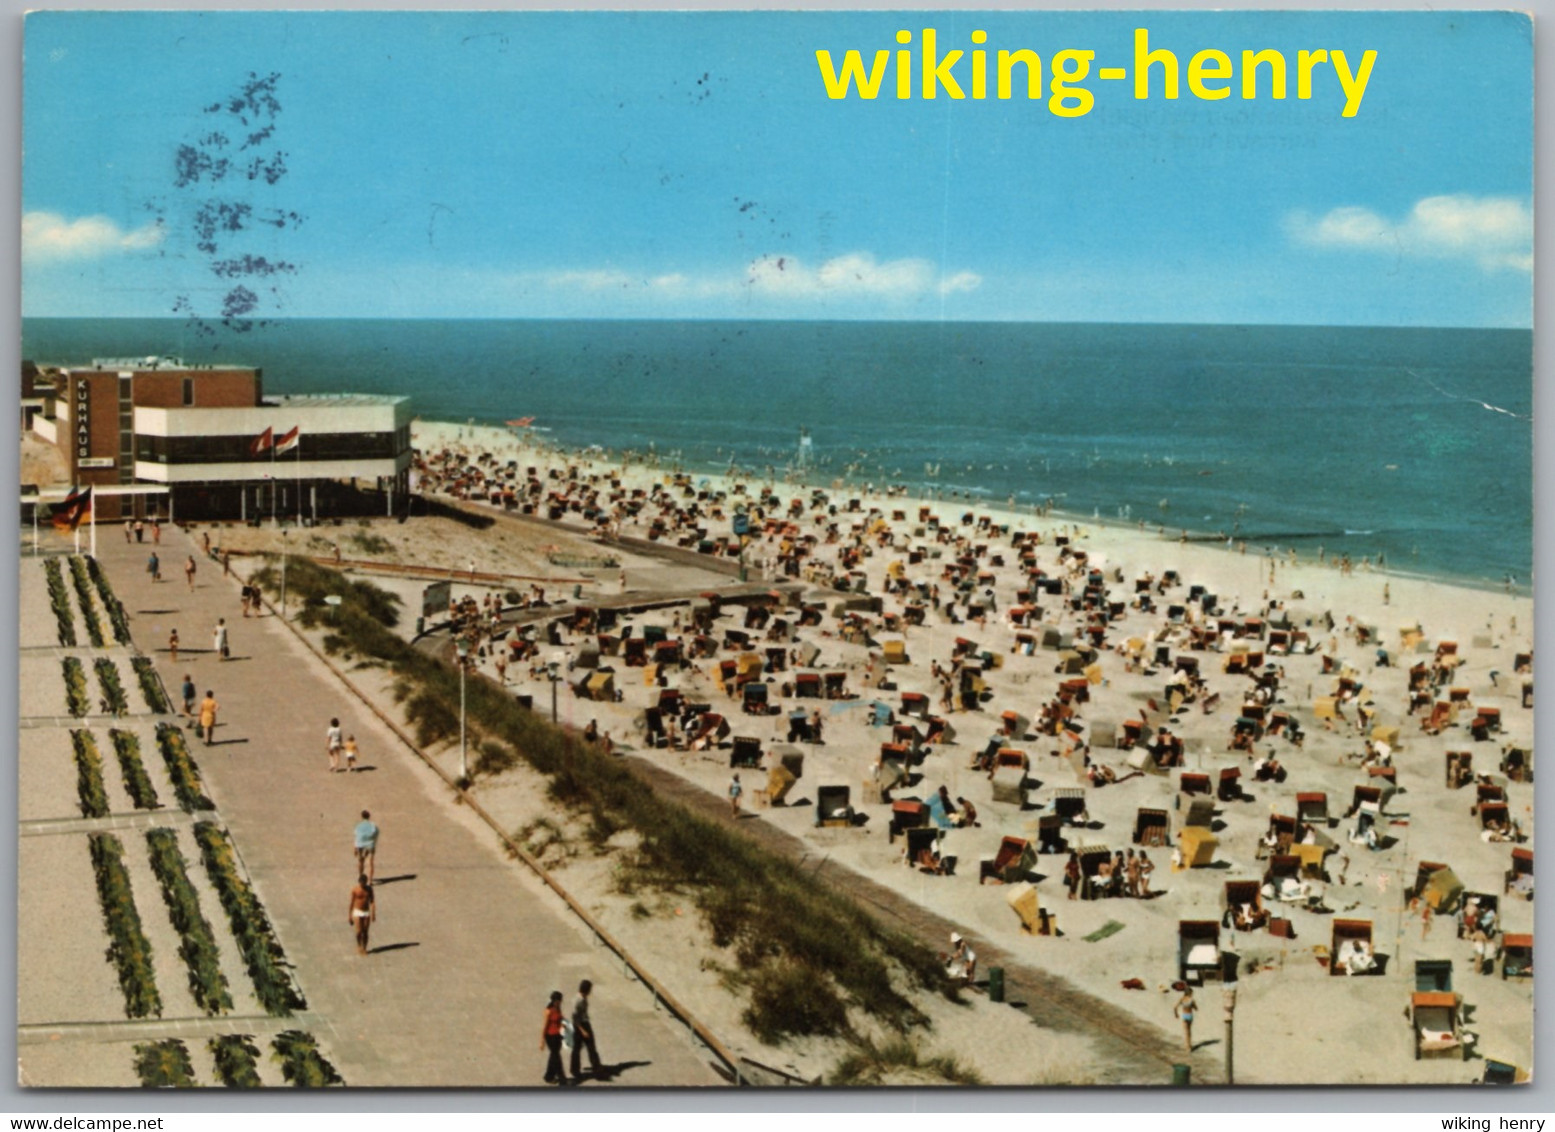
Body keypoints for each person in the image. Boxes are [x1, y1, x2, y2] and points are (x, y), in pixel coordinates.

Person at [569, 979, 603, 1081]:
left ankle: (592, 1067)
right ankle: (593, 1069)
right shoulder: (578, 1000)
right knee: (585, 1047)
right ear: (586, 990)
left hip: (584, 1023)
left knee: (585, 1047)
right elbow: (575, 1018)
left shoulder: (582, 997)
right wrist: (583, 1030)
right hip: (580, 1025)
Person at [540, 991, 569, 1085]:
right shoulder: (548, 1011)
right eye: (559, 1000)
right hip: (551, 1037)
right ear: (555, 1000)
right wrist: (542, 1041)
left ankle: (549, 1076)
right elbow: (544, 1027)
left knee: (553, 1057)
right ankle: (562, 1080)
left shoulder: (558, 1008)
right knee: (556, 1058)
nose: (561, 1002)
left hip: (558, 1036)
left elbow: (560, 1017)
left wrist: (563, 1024)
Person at [347, 874, 375, 956]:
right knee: (359, 931)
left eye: (364, 883)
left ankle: (364, 947)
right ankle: (359, 945)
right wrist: (349, 915)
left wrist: (373, 913)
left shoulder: (369, 889)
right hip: (357, 911)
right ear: (359, 882)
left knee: (365, 931)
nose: (363, 884)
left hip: (366, 912)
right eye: (361, 883)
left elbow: (372, 901)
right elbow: (351, 903)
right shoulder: (355, 890)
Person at [354, 810, 379, 882]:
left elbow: (357, 836)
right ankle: (370, 880)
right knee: (371, 862)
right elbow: (375, 835)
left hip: (360, 844)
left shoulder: (358, 826)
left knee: (360, 860)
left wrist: (355, 847)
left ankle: (360, 876)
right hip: (370, 844)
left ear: (362, 817)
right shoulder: (372, 825)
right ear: (369, 817)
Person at [1174, 987, 1197, 1052]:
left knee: (1186, 1031)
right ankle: (1189, 1046)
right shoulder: (1192, 1000)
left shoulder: (1182, 999)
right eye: (1192, 993)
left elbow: (1175, 1007)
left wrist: (1176, 1014)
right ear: (1190, 993)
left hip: (1184, 1015)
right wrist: (1192, 1006)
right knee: (1189, 1031)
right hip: (1190, 1015)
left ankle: (1187, 1047)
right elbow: (1196, 1008)